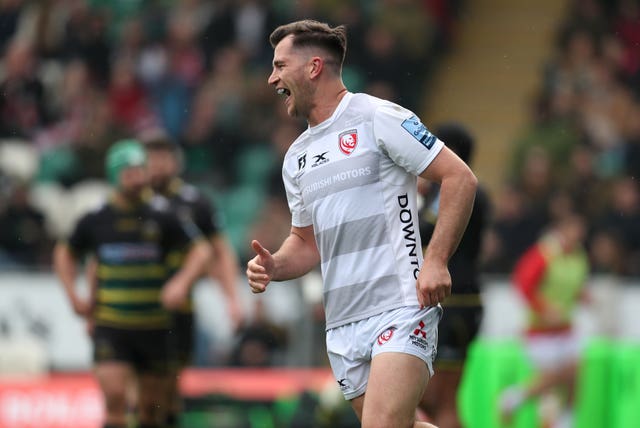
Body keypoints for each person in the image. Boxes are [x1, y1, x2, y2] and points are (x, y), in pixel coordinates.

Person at [246, 20, 478, 428]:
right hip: (342, 324)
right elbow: (305, 242)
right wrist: (275, 265)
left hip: (401, 305)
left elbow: (460, 178)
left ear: (314, 67)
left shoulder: (378, 116)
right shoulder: (296, 157)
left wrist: (436, 259)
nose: (272, 78)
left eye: (280, 65)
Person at [53, 139, 211, 428]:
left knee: (151, 409)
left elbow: (201, 250)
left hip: (155, 325)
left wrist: (181, 282)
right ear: (115, 175)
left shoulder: (162, 214)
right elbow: (66, 253)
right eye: (130, 172)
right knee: (114, 399)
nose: (138, 178)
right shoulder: (97, 218)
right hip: (112, 325)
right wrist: (74, 296)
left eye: (141, 171)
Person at [142, 134, 244, 427]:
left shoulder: (194, 203)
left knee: (170, 385)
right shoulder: (132, 202)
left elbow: (219, 252)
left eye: (163, 157)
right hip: (135, 308)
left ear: (176, 162)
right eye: (152, 158)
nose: (157, 165)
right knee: (142, 387)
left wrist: (232, 300)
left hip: (178, 309)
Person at [416, 123, 491, 428]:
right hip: (463, 300)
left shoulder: (449, 190)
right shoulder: (476, 190)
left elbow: (425, 230)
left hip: (453, 302)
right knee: (439, 399)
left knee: (437, 398)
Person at [499, 213, 589, 428]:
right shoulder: (544, 253)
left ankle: (566, 419)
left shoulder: (578, 256)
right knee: (550, 381)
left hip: (565, 328)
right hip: (541, 331)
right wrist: (543, 308)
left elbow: (569, 286)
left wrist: (581, 296)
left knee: (574, 375)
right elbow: (522, 283)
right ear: (562, 230)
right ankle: (515, 398)